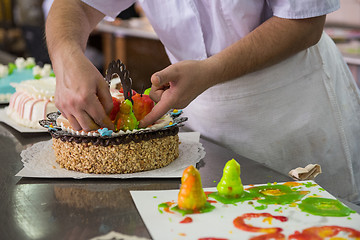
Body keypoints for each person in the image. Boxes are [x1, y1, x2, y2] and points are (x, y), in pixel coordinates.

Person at [45, 0, 360, 204]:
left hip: (291, 105)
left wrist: (211, 70)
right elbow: (76, 6)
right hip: (198, 110)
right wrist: (66, 55)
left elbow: (305, 23)